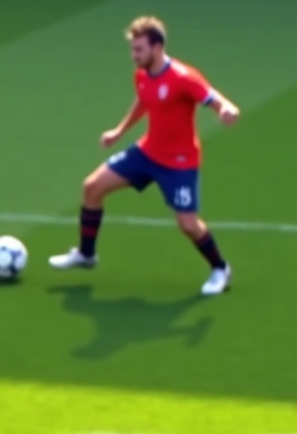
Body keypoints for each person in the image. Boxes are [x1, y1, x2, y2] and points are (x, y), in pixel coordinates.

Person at [48, 15, 241, 296]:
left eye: (139, 49)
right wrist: (119, 131)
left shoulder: (183, 77)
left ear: (157, 47)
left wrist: (226, 109)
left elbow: (212, 97)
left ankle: (220, 269)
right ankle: (86, 255)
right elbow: (143, 101)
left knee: (188, 224)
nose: (133, 55)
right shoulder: (142, 74)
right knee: (92, 188)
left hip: (179, 163)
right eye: (132, 49)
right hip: (147, 152)